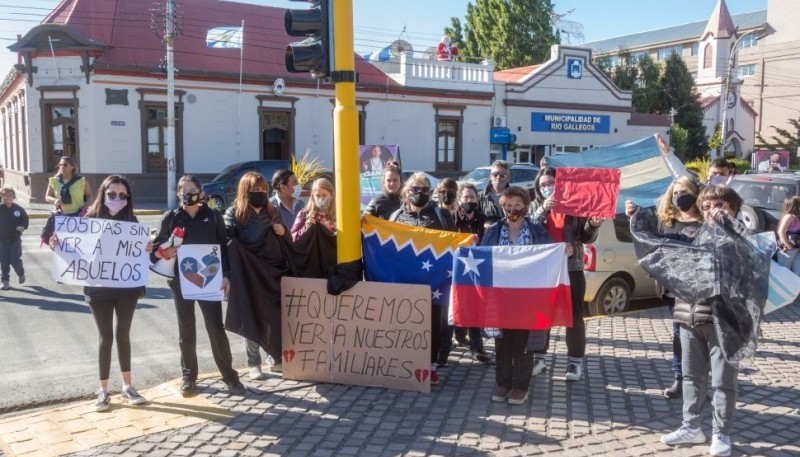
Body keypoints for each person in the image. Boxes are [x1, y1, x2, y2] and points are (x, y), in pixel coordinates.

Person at [651, 185, 746, 457]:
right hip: (687, 314)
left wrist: (724, 229)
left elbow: (742, 269)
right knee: (691, 376)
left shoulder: (741, 236)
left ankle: (721, 434)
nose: (712, 211)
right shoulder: (692, 232)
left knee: (723, 381)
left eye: (720, 206)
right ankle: (691, 426)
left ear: (734, 209)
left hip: (723, 321)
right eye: (706, 207)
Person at [50, 175, 151, 411]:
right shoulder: (88, 220)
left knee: (123, 335)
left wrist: (147, 247)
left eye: (122, 195)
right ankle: (103, 390)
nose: (117, 198)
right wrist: (59, 244)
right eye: (112, 194)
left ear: (128, 198)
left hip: (127, 289)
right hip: (98, 288)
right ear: (103, 194)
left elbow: (140, 253)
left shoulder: (132, 222)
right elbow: (73, 250)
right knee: (105, 337)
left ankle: (128, 387)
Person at [152, 175, 245, 397]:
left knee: (215, 327)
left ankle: (230, 376)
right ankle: (188, 377)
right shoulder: (170, 218)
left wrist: (227, 276)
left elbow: (222, 248)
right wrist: (165, 250)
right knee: (186, 329)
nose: (187, 194)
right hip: (180, 281)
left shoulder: (213, 217)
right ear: (177, 193)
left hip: (209, 280)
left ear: (201, 192)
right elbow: (156, 250)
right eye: (183, 190)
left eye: (192, 189)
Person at [627, 177, 704, 399]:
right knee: (680, 335)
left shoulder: (705, 222)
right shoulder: (666, 221)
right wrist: (658, 279)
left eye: (685, 191)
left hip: (700, 289)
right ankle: (680, 378)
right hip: (674, 290)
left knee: (699, 337)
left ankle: (699, 381)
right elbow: (657, 253)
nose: (680, 196)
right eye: (676, 191)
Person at [530, 167, 603, 381]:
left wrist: (593, 223)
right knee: (542, 316)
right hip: (544, 270)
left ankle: (574, 363)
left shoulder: (574, 205)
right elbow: (530, 229)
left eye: (551, 183)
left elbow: (586, 237)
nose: (547, 188)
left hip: (572, 269)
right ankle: (539, 358)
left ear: (560, 184)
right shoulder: (535, 205)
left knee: (574, 317)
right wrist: (543, 208)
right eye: (543, 184)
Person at [482, 186, 552, 405]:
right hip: (500, 295)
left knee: (523, 343)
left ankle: (521, 386)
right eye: (508, 206)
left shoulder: (537, 230)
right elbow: (483, 255)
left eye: (517, 206)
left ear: (526, 207)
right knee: (502, 342)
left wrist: (563, 250)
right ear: (503, 206)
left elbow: (549, 254)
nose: (512, 210)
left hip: (526, 297)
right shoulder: (494, 230)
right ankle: (503, 382)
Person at [390, 173, 455, 384]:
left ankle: (430, 365)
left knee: (433, 323)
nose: (419, 193)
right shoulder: (396, 217)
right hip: (404, 281)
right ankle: (406, 363)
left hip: (434, 282)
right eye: (414, 189)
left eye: (424, 190)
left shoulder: (441, 216)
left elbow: (455, 243)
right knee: (405, 323)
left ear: (430, 192)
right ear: (406, 192)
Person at [224, 172, 287, 380]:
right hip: (246, 274)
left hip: (269, 273)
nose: (260, 193)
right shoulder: (234, 212)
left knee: (271, 316)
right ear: (245, 191)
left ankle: (274, 357)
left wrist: (282, 231)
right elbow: (226, 235)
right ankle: (254, 363)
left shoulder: (272, 211)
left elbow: (284, 239)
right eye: (255, 189)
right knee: (250, 316)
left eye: (263, 190)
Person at [450, 182, 491, 363]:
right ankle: (447, 345)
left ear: (477, 199)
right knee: (453, 303)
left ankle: (477, 348)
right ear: (459, 199)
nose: (469, 200)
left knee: (475, 307)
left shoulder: (484, 220)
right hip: (455, 268)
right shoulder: (450, 218)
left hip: (477, 269)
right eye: (465, 197)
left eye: (472, 197)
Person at [0, 186, 28, 290]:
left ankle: (20, 273)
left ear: (14, 196)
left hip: (15, 239)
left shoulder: (19, 209)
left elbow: (25, 220)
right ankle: (5, 281)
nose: (8, 197)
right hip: (1, 240)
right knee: (4, 261)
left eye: (10, 195)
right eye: (5, 195)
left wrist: (23, 226)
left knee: (15, 259)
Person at [479, 160, 511, 227]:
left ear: (508, 178)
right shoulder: (481, 197)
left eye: (502, 175)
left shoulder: (515, 196)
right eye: (495, 174)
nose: (498, 177)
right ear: (491, 177)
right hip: (488, 235)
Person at [776, 196, 800, 274]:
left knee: (792, 269)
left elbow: (781, 231)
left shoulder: (793, 216)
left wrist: (790, 246)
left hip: (793, 247)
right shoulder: (790, 216)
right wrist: (789, 246)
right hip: (791, 246)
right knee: (788, 269)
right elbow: (781, 232)